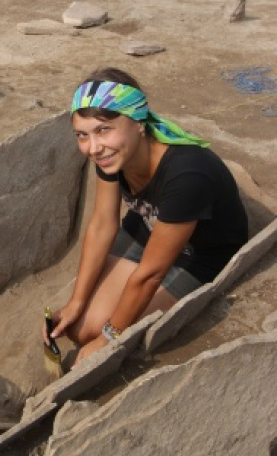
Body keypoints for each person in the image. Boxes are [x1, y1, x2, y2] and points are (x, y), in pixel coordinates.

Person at [44, 67, 248, 367]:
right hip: (149, 227)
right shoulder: (112, 155)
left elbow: (150, 274)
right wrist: (75, 302)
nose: (93, 147)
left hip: (198, 254)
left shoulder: (187, 175)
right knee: (77, 327)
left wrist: (108, 338)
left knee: (97, 331)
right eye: (82, 135)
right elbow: (102, 224)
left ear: (138, 123)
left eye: (104, 129)